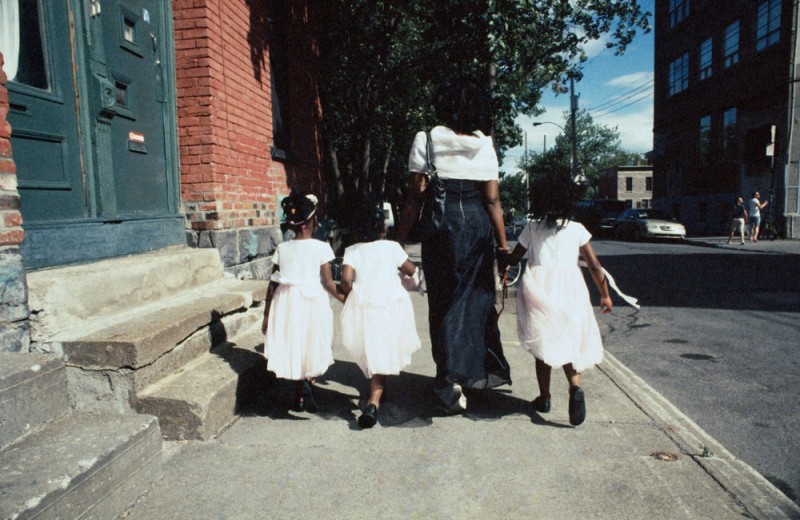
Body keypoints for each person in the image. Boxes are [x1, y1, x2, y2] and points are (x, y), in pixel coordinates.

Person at [395, 74, 512, 414]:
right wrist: (503, 247)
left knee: (444, 304)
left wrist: (398, 242)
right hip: (477, 227)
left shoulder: (427, 139)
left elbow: (415, 198)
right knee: (474, 303)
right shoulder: (485, 144)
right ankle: (468, 374)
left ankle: (448, 380)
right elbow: (492, 201)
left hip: (441, 228)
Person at [505, 171, 613, 426]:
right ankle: (575, 387)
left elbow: (514, 257)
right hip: (571, 287)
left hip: (539, 288)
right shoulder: (576, 229)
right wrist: (605, 294)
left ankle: (544, 397)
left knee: (543, 342)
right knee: (568, 340)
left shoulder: (532, 227)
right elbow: (595, 265)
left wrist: (503, 263)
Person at [340, 201, 422, 429]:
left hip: (366, 303)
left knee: (372, 347)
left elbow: (345, 279)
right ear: (382, 227)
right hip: (391, 304)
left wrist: (352, 295)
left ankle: (376, 392)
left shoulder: (352, 250)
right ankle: (373, 403)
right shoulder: (392, 247)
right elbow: (412, 270)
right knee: (383, 348)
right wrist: (411, 282)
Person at [261, 192, 345, 413]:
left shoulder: (282, 249)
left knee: (295, 344)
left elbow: (272, 283)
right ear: (309, 223)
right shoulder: (321, 247)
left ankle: (299, 395)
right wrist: (345, 298)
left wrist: (267, 316)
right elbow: (328, 282)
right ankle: (310, 381)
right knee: (314, 342)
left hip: (286, 301)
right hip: (312, 301)